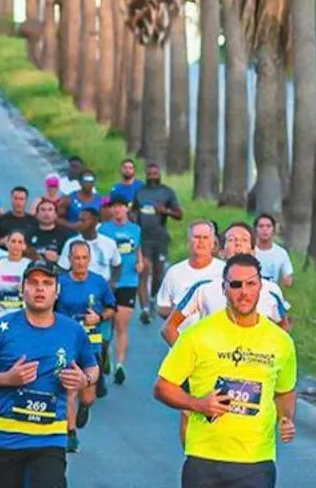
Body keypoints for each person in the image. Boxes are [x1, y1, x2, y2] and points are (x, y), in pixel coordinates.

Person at [154, 254, 299, 488]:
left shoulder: (281, 342)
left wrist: (286, 419)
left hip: (256, 461)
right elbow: (162, 387)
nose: (244, 292)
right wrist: (198, 404)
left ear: (260, 287)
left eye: (251, 284)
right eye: (236, 285)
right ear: (224, 289)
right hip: (205, 459)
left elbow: (285, 391)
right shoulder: (197, 335)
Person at [0, 261, 100, 482]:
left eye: (47, 283)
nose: (40, 288)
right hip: (5, 439)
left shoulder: (73, 330)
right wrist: (6, 379)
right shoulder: (0, 328)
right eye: (33, 283)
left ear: (56, 291)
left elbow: (92, 366)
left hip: (50, 439)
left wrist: (84, 380)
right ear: (22, 289)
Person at [164, 223, 291, 344]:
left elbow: (283, 326)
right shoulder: (204, 287)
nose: (238, 243)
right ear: (222, 252)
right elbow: (169, 327)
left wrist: (271, 356)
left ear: (253, 251)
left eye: (244, 240)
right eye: (231, 240)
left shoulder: (270, 290)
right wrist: (189, 360)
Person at [56, 239, 116, 419]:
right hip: (66, 341)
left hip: (92, 343)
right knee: (68, 390)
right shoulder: (60, 282)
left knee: (89, 396)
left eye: (84, 258)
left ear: (89, 259)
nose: (80, 262)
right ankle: (70, 432)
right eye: (76, 258)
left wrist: (99, 317)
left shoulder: (98, 282)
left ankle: (85, 405)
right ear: (69, 259)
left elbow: (112, 308)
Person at [96, 198, 144, 385]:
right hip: (109, 283)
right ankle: (105, 353)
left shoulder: (135, 229)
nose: (117, 210)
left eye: (120, 206)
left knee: (121, 326)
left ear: (127, 208)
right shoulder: (104, 230)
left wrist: (140, 262)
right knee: (106, 323)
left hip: (129, 281)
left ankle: (120, 366)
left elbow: (138, 249)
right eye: (114, 207)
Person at [134, 164, 184, 323]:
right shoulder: (140, 192)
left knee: (158, 272)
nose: (152, 176)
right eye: (149, 174)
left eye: (155, 173)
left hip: (160, 238)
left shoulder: (167, 192)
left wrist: (165, 211)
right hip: (143, 237)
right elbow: (133, 210)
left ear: (159, 174)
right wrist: (132, 217)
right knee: (144, 270)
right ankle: (145, 309)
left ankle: (154, 298)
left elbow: (179, 214)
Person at [156, 221, 227, 323]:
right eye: (197, 237)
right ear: (188, 242)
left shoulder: (226, 271)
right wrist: (183, 314)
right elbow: (162, 306)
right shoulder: (174, 272)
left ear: (213, 243)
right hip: (183, 336)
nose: (201, 241)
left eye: (205, 238)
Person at [0, 228, 31, 320]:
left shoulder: (29, 265)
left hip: (22, 315)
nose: (16, 245)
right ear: (7, 243)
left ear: (24, 246)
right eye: (13, 241)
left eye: (20, 242)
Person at [25, 198, 74, 267]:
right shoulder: (28, 234)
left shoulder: (65, 235)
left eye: (50, 210)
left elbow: (73, 260)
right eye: (43, 210)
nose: (46, 213)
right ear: (36, 214)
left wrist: (58, 258)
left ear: (56, 215)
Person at [251, 214, 294, 286]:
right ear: (255, 230)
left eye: (268, 226)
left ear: (273, 230)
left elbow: (288, 276)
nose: (265, 229)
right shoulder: (248, 251)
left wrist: (287, 280)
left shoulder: (281, 253)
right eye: (261, 226)